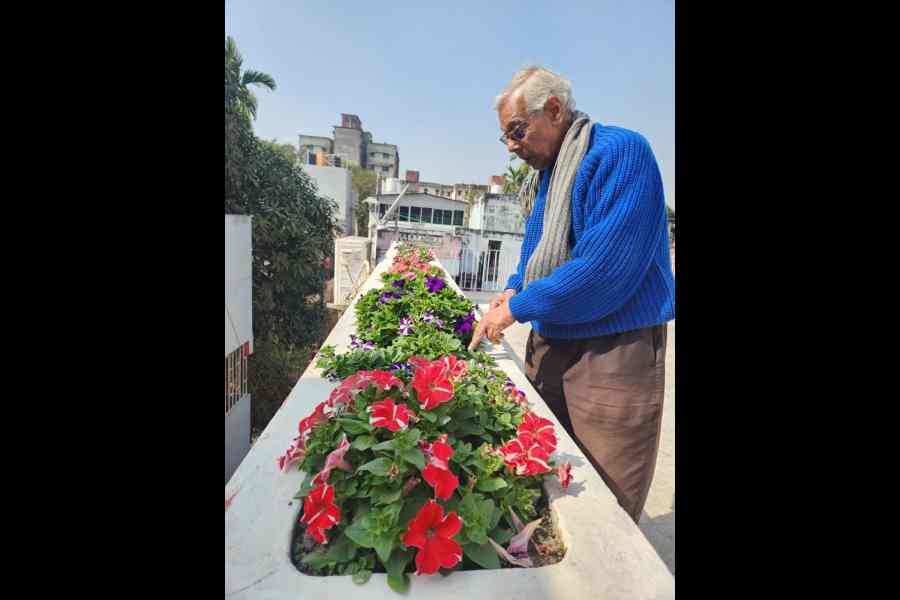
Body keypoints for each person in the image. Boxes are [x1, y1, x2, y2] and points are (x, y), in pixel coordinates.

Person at [468, 66, 675, 523]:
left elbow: (606, 271)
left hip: (612, 349)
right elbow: (537, 249)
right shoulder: (551, 172)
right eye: (504, 136)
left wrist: (518, 308)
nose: (511, 146)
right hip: (553, 340)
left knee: (605, 497)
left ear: (555, 110)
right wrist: (511, 289)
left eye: (516, 131)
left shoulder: (620, 153)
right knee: (544, 472)